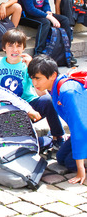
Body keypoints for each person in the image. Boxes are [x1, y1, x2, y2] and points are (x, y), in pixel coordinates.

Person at [0, 29, 66, 147]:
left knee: (48, 101)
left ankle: (57, 136)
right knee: (14, 142)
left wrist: (31, 67)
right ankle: (45, 141)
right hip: (8, 109)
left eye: (19, 46)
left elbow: (42, 93)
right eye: (10, 46)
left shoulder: (27, 65)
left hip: (30, 106)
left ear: (24, 48)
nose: (15, 50)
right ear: (4, 48)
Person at [28, 55, 87, 184]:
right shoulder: (55, 87)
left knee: (72, 163)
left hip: (83, 130)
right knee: (61, 158)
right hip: (82, 130)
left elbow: (80, 129)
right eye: (32, 78)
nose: (34, 83)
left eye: (38, 78)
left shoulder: (67, 92)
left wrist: (80, 169)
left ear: (53, 75)